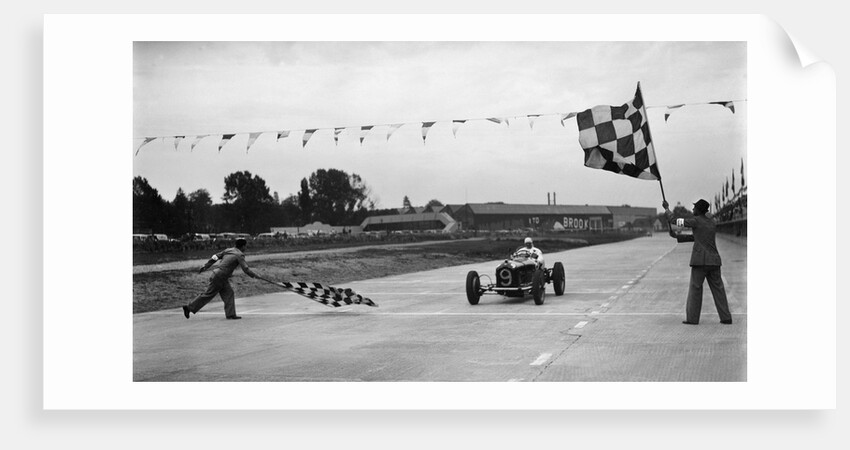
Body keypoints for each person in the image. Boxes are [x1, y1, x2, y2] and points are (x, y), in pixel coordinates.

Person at [663, 199, 733, 325]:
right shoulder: (712, 223)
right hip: (714, 261)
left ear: (699, 210)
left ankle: (692, 318)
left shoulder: (696, 221)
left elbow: (675, 221)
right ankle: (726, 317)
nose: (693, 209)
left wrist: (667, 209)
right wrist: (677, 236)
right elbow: (697, 237)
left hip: (700, 261)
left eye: (694, 208)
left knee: (695, 289)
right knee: (719, 290)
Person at [182, 237, 258, 320]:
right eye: (245, 247)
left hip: (219, 275)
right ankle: (189, 307)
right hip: (220, 276)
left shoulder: (228, 250)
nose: (245, 248)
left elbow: (215, 257)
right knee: (208, 294)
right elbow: (245, 269)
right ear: (243, 246)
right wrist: (254, 275)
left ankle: (230, 314)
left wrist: (205, 266)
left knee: (229, 293)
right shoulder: (240, 255)